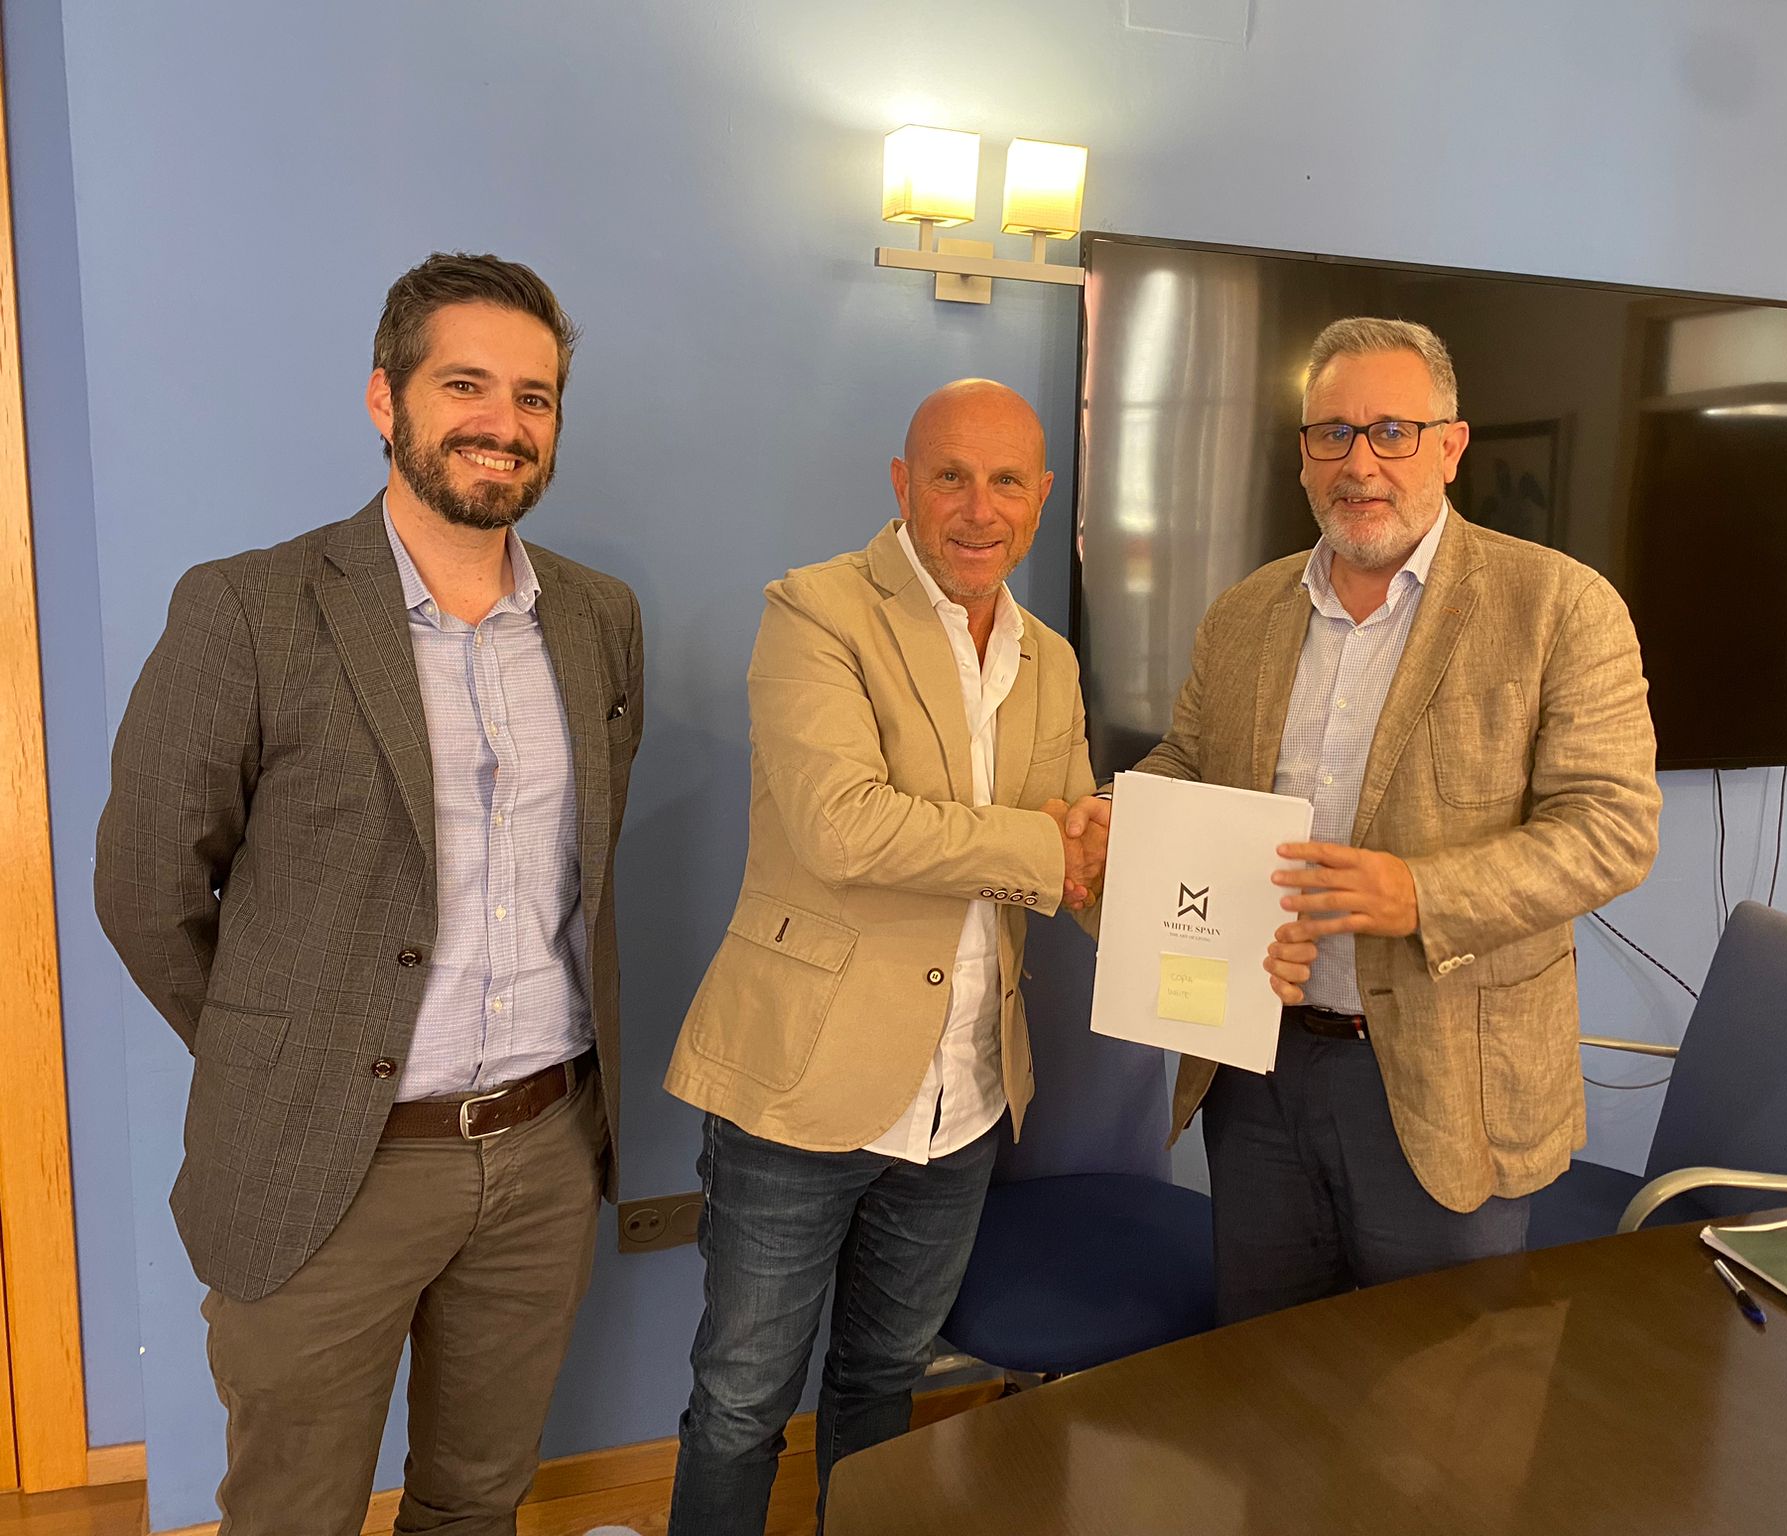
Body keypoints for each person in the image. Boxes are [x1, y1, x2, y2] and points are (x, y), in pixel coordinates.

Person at [95, 252, 644, 1535]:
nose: (503, 422)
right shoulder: (247, 609)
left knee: (478, 1502)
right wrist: (289, 1053)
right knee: (292, 1513)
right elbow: (144, 888)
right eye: (465, 384)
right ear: (384, 398)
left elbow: (586, 868)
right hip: (328, 1161)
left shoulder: (598, 619)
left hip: (543, 1145)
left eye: (535, 396)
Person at [1067, 316, 1660, 1323]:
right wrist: (1120, 811)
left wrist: (1420, 894)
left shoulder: (1559, 606)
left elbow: (1610, 828)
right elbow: (1190, 765)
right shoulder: (1245, 612)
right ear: (1303, 453)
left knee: (1437, 1391)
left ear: (1450, 446)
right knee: (1266, 1366)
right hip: (1257, 1062)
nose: (1359, 462)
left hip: (1447, 1081)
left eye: (1392, 431)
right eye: (1331, 433)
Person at [662, 379, 1103, 1534]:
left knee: (882, 1383)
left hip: (963, 1097)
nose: (978, 507)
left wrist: (1167, 893)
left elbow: (1075, 856)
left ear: (1041, 496)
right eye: (949, 476)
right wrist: (1048, 845)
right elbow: (843, 828)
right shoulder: (814, 612)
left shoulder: (1050, 660)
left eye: (1005, 481)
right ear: (903, 486)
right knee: (741, 1402)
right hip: (800, 1087)